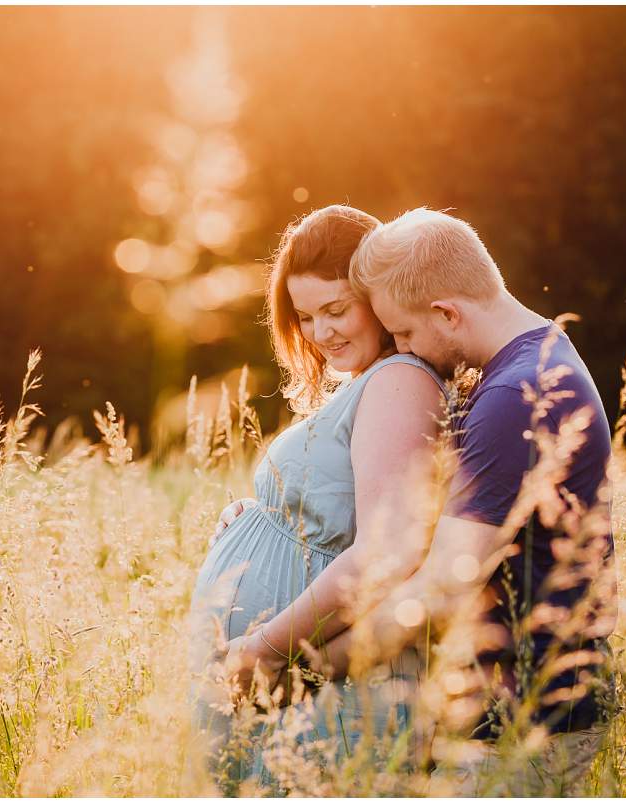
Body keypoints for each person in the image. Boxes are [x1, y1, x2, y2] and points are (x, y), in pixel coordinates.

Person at [222, 208, 617, 796]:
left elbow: (438, 588)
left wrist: (296, 663)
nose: (404, 351)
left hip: (522, 723)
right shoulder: (521, 372)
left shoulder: (515, 396)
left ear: (447, 313)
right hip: (502, 716)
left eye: (404, 334)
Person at [188, 205, 448, 794]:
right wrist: (262, 518)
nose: (321, 333)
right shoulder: (367, 384)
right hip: (291, 681)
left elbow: (386, 549)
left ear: (379, 298)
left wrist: (263, 647)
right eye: (305, 317)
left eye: (336, 310)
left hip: (328, 684)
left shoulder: (399, 380)